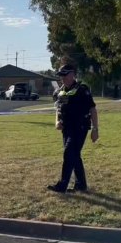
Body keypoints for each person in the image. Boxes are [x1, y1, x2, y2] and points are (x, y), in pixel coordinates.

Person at [47, 64, 99, 193]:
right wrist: (57, 122)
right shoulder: (60, 91)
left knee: (69, 153)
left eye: (65, 75)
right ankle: (81, 185)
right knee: (75, 155)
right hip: (66, 128)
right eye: (61, 76)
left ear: (72, 75)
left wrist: (95, 129)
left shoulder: (82, 90)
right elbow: (58, 109)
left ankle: (62, 185)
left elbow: (92, 109)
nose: (62, 79)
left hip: (80, 127)